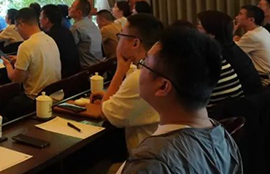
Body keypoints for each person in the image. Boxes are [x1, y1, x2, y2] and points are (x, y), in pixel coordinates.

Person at [120, 26, 242, 174]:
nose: (140, 69)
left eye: (144, 63)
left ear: (163, 86)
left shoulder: (151, 163)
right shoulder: (221, 135)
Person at [96, 14, 161, 153]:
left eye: (121, 36)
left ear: (135, 43)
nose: (118, 41)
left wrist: (120, 70)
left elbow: (105, 113)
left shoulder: (141, 77)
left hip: (146, 159)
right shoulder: (160, 67)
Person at [3, 8, 61, 118]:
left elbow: (16, 79)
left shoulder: (26, 45)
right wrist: (19, 59)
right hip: (56, 95)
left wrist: (8, 65)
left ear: (21, 24)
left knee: (3, 105)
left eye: (16, 27)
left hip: (35, 100)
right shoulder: (50, 39)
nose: (17, 31)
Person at [198, 10, 262, 96]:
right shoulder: (229, 47)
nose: (196, 32)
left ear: (212, 34)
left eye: (199, 28)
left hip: (243, 99)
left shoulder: (218, 54)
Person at [234, 5, 270, 86]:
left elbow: (231, 52)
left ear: (251, 20)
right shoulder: (262, 30)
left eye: (240, 14)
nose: (236, 17)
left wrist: (232, 31)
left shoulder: (251, 36)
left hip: (263, 81)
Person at [40, 4, 80, 78]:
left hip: (62, 77)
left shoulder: (49, 36)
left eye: (40, 16)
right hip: (75, 74)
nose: (39, 20)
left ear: (46, 20)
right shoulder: (66, 31)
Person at [68, 0, 103, 68]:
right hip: (99, 64)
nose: (69, 8)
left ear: (79, 12)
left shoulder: (77, 27)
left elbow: (69, 48)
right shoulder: (91, 23)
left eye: (72, 7)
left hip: (86, 68)